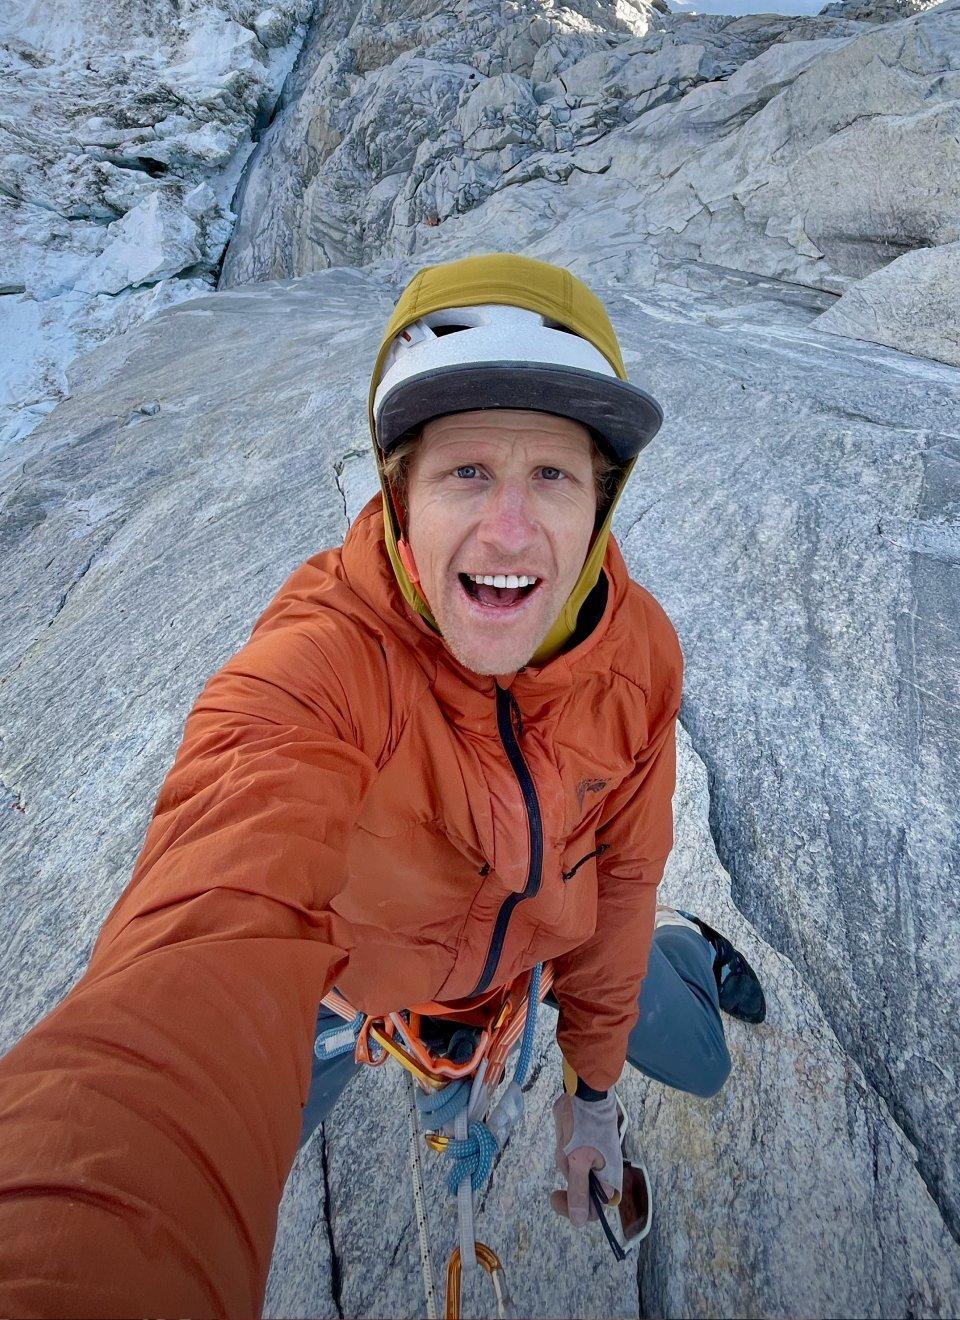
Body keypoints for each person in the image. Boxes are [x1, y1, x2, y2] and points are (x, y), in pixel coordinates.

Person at [0, 253, 764, 1318]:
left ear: (602, 504)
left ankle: (685, 953)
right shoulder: (326, 661)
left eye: (553, 474)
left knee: (700, 1063)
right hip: (354, 993)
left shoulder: (637, 658)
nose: (509, 532)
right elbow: (194, 953)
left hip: (537, 964)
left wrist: (592, 1097)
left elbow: (625, 869)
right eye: (465, 473)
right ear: (398, 494)